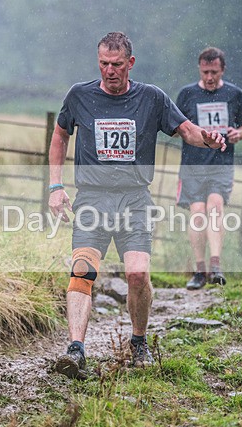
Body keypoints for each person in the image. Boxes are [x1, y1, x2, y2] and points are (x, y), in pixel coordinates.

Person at [48, 32, 226, 379]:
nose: (109, 70)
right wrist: (56, 185)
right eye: (103, 64)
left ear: (130, 63)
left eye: (116, 64)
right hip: (93, 198)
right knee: (81, 271)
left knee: (137, 275)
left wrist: (208, 138)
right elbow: (59, 136)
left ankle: (139, 341)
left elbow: (185, 130)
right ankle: (76, 349)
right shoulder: (80, 95)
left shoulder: (151, 98)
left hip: (135, 199)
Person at [176, 47, 242, 290]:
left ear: (223, 70)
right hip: (193, 164)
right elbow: (177, 127)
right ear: (199, 69)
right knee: (198, 212)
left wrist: (237, 134)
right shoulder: (187, 95)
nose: (210, 77)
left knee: (215, 207)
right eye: (206, 72)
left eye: (215, 73)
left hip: (221, 162)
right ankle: (200, 270)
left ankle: (216, 266)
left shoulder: (234, 94)